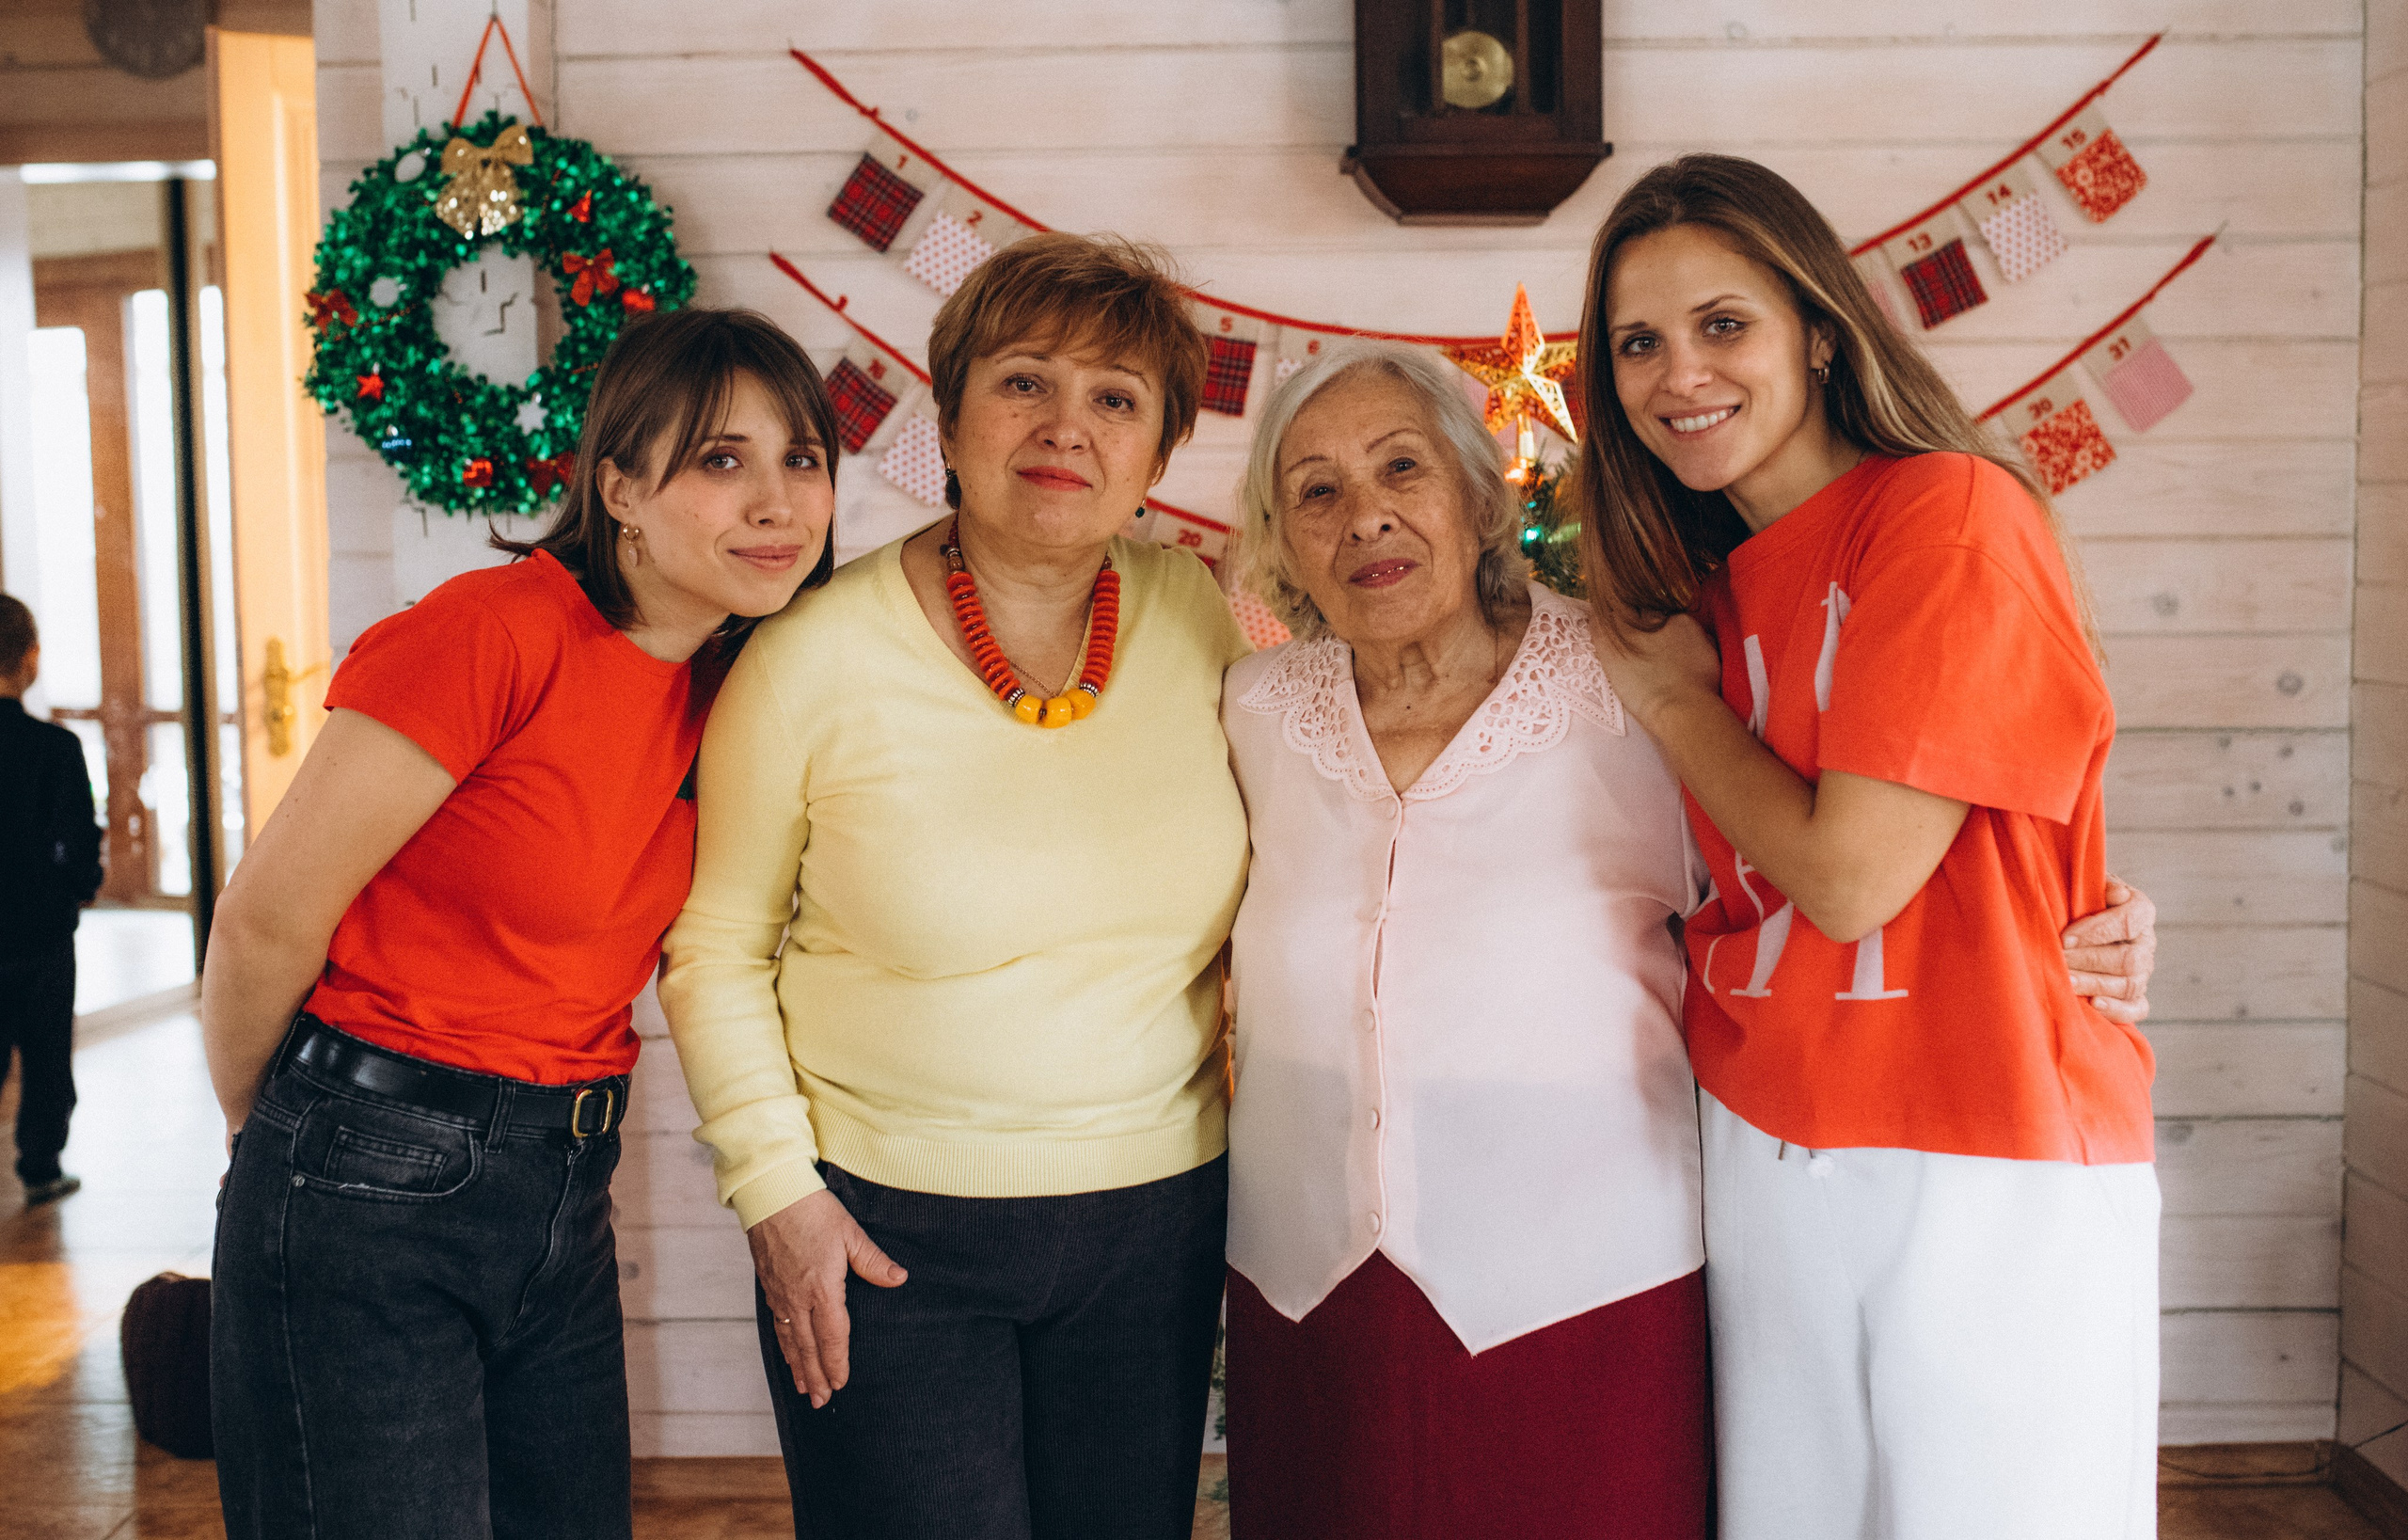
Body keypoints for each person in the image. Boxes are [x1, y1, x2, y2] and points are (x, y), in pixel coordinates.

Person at [1214, 341, 2158, 1540]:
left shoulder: (1638, 669)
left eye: (1403, 467)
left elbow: (1840, 844)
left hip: (1584, 1275)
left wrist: (2072, 919)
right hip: (1309, 1279)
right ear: (1280, 535)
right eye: (1316, 490)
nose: (1366, 518)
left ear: (1476, 493)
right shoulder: (1253, 708)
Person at [1577, 153, 2160, 1540]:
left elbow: (1848, 879)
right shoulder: (1694, 588)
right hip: (1767, 1139)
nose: (1679, 375)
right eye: (1639, 343)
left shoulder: (1948, 514)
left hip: (1984, 1149)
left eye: (1725, 324)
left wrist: (1670, 696)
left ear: (1820, 333)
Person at [203, 307, 839, 1540]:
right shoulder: (496, 631)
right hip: (365, 1163)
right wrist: (276, 1146)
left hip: (563, 1177)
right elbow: (265, 920)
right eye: (720, 459)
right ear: (619, 487)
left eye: (800, 458)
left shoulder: (738, 688)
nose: (776, 501)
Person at [658, 232, 1243, 1539]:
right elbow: (716, 947)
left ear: (1159, 454)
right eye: (1024, 381)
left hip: (1154, 1222)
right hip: (882, 1231)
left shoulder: (1199, 619)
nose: (1065, 428)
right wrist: (777, 1195)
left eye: (1116, 399)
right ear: (950, 416)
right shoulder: (806, 656)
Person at [0, 594, 103, 1206]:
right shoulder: (54, 747)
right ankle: (41, 1163)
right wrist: (77, 890)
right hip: (40, 929)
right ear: (30, 658)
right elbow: (78, 836)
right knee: (45, 1053)